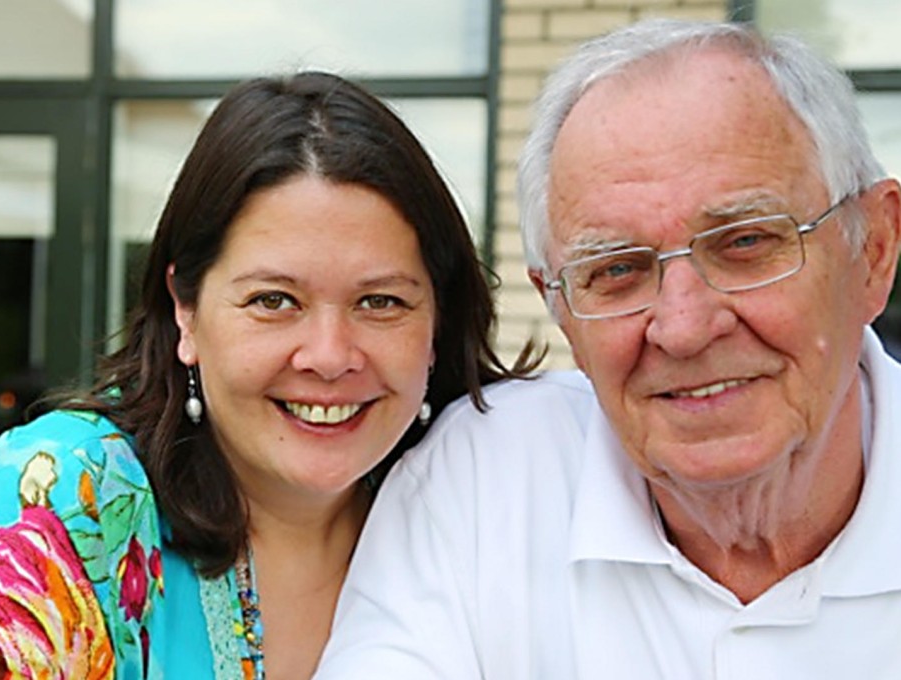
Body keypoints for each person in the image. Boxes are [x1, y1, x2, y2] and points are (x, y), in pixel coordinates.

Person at [0, 71, 533, 679]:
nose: (331, 356)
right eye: (274, 300)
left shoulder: (488, 505)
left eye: (381, 301)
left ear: (438, 322)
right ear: (185, 312)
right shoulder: (69, 497)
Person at [314, 18, 901, 679]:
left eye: (744, 243)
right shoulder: (484, 479)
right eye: (617, 270)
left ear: (873, 252)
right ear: (560, 309)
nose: (682, 327)